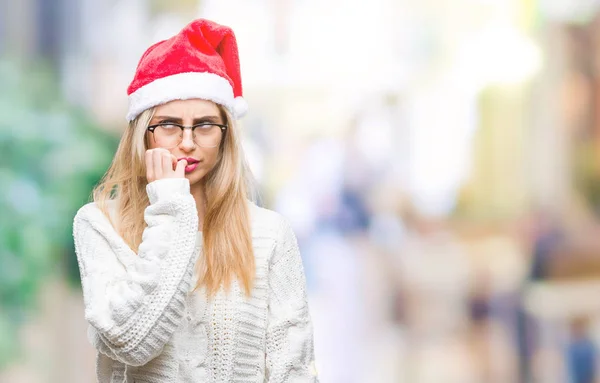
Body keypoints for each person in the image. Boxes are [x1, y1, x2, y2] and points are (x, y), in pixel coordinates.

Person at [72, 18, 318, 382]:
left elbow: (292, 371)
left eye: (204, 125)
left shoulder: (269, 234)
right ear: (143, 135)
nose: (187, 142)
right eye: (169, 124)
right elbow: (130, 340)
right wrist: (171, 208)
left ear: (225, 137)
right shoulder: (99, 224)